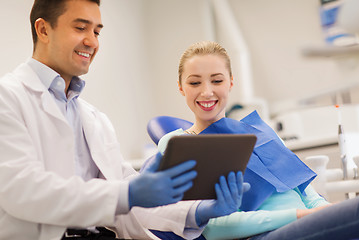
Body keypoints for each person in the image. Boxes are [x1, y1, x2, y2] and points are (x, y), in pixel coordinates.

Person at [0, 1, 248, 240]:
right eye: (80, 28)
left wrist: (200, 211)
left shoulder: (94, 118)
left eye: (96, 31)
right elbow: (22, 190)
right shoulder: (7, 97)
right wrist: (129, 192)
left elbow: (132, 200)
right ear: (43, 29)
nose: (92, 41)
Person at [157, 40, 359, 240]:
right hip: (264, 234)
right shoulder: (177, 143)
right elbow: (212, 226)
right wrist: (300, 216)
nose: (207, 91)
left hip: (311, 225)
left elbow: (307, 194)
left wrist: (327, 213)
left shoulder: (258, 131)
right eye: (194, 82)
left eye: (217, 80)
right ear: (181, 87)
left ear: (231, 83)